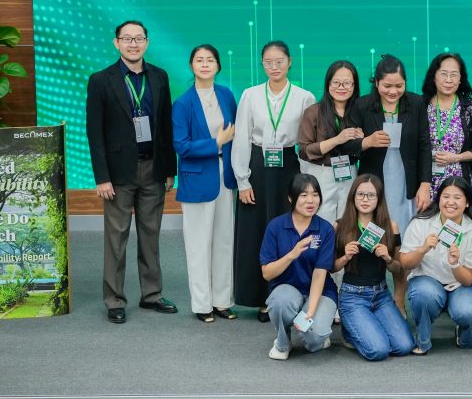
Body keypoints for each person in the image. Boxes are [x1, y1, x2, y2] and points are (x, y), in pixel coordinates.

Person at [85, 19, 178, 324]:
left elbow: (165, 126)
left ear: (147, 43)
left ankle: (151, 295)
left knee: (151, 236)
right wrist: (101, 177)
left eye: (139, 38)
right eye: (127, 38)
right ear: (117, 43)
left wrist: (170, 169)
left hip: (154, 169)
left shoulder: (160, 77)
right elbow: (94, 132)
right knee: (116, 239)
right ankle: (114, 299)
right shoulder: (101, 80)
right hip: (118, 173)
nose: (133, 44)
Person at [232, 41, 316, 319]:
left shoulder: (304, 97)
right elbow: (242, 137)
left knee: (288, 230)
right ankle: (259, 296)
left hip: (289, 167)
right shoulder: (250, 95)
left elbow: (307, 141)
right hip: (257, 166)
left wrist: (307, 184)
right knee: (256, 231)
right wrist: (243, 180)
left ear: (290, 62)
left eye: (279, 61)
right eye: (268, 62)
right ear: (262, 64)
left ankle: (287, 294)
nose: (274, 67)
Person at [347, 55, 432, 311]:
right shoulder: (362, 105)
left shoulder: (416, 103)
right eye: (387, 86)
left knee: (402, 241)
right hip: (375, 184)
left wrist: (425, 183)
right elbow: (348, 146)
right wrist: (367, 142)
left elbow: (424, 145)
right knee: (376, 238)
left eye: (399, 86)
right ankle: (370, 295)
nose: (393, 91)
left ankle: (399, 297)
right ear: (376, 83)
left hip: (406, 183)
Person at [171, 43, 238, 323]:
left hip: (225, 175)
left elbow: (237, 134)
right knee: (199, 244)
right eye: (199, 60)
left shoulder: (226, 95)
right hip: (197, 178)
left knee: (224, 241)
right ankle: (202, 304)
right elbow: (181, 145)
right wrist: (215, 142)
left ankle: (222, 301)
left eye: (210, 60)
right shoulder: (183, 103)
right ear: (191, 65)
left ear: (218, 66)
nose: (205, 64)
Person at [399, 176, 472, 353]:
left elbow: (469, 279)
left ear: (467, 203)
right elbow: (405, 263)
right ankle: (423, 338)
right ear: (438, 199)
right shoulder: (420, 223)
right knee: (424, 294)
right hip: (428, 282)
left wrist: (455, 264)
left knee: (471, 311)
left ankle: (465, 330)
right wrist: (422, 250)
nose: (450, 202)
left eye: (457, 197)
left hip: (461, 285)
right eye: (446, 196)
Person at [332, 174, 414, 360]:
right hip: (352, 297)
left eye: (371, 195)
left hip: (381, 295)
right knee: (379, 350)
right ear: (353, 196)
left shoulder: (391, 226)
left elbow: (399, 269)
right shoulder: (340, 226)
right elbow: (331, 267)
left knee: (404, 346)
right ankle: (350, 330)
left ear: (379, 198)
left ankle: (367, 325)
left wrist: (388, 259)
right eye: (360, 194)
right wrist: (345, 257)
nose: (365, 199)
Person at [259, 173, 337, 359]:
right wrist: (291, 255)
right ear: (291, 198)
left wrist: (309, 313)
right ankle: (283, 343)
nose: (311, 200)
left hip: (320, 292)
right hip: (287, 289)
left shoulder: (325, 229)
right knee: (280, 303)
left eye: (315, 194)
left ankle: (315, 333)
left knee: (315, 338)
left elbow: (320, 274)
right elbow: (267, 273)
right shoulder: (276, 227)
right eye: (304, 195)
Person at [298, 61, 365, 224]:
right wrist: (337, 140)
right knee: (321, 221)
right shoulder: (314, 111)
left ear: (354, 86)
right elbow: (304, 150)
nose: (341, 87)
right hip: (321, 173)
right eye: (336, 82)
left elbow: (365, 151)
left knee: (347, 221)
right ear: (328, 84)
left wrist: (362, 141)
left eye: (347, 83)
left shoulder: (360, 112)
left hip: (349, 172)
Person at [420, 52, 472, 193]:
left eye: (454, 75)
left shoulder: (470, 109)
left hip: (459, 183)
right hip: (424, 184)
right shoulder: (420, 105)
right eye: (443, 74)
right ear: (433, 76)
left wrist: (457, 157)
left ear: (461, 79)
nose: (449, 80)